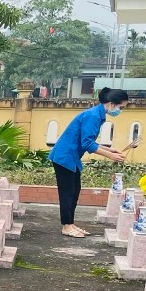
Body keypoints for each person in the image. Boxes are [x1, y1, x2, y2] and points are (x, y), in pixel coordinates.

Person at [49, 87, 130, 238]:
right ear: (112, 104)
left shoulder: (97, 114)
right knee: (67, 193)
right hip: (65, 157)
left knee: (74, 192)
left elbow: (89, 142)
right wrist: (110, 156)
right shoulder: (93, 116)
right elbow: (87, 144)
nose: (120, 110)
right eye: (121, 107)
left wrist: (111, 150)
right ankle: (66, 226)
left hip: (71, 157)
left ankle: (70, 224)